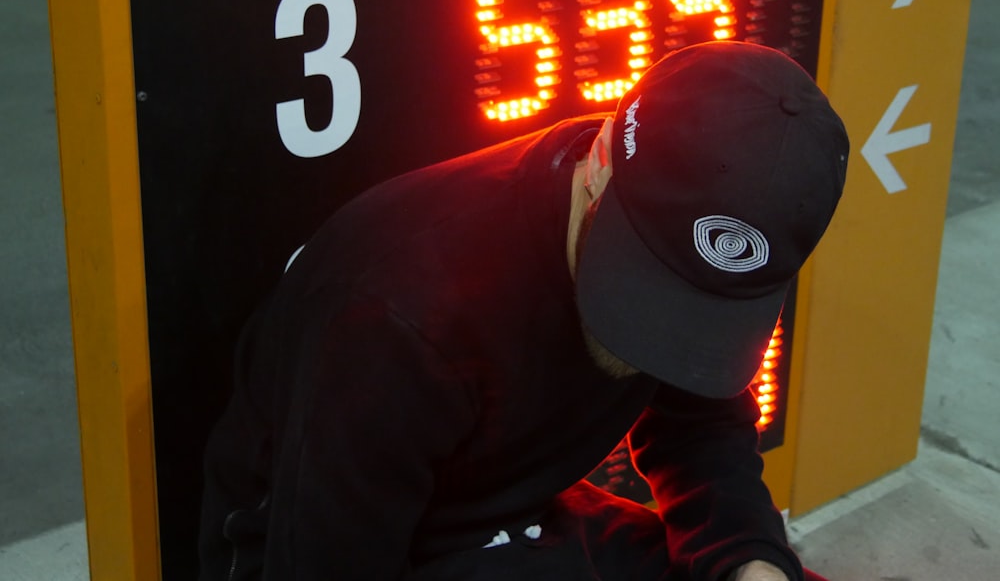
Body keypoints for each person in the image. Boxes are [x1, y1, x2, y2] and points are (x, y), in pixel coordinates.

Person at [198, 41, 849, 581]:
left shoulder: (691, 226)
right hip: (325, 543)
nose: (655, 343)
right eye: (646, 289)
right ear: (598, 168)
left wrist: (750, 560)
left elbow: (699, 425)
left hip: (513, 509)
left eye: (696, 314)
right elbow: (321, 559)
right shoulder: (400, 314)